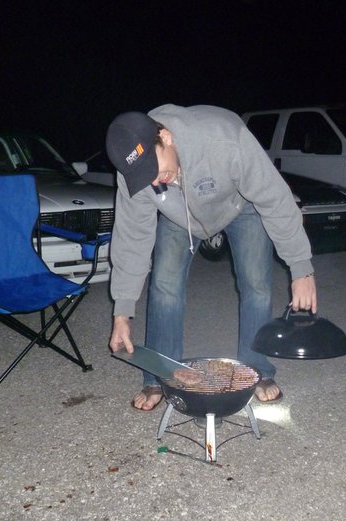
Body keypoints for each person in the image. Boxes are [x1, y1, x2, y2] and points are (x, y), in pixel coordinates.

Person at [105, 105, 317, 411]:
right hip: (179, 217)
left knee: (256, 284)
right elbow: (132, 239)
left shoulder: (225, 141)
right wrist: (122, 313)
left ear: (166, 137)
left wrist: (301, 269)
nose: (153, 181)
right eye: (144, 176)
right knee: (164, 286)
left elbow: (275, 199)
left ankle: (256, 371)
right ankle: (160, 376)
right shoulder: (133, 174)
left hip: (241, 204)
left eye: (155, 168)